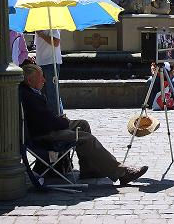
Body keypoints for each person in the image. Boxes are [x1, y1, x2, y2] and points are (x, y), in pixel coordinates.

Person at [20, 64, 148, 185]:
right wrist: (63, 121)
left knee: (83, 124)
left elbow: (45, 118)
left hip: (47, 128)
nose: (44, 80)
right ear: (30, 81)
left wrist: (59, 120)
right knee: (87, 139)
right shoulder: (30, 97)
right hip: (44, 135)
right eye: (40, 77)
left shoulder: (31, 92)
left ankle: (89, 169)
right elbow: (46, 122)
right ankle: (122, 172)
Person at [34, 30, 63, 116]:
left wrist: (41, 34)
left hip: (51, 62)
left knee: (52, 93)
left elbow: (56, 42)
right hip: (41, 62)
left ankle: (57, 117)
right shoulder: (38, 25)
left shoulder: (53, 24)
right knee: (44, 93)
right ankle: (48, 116)